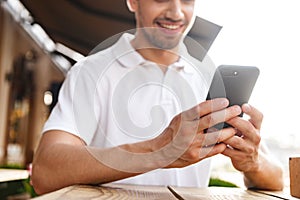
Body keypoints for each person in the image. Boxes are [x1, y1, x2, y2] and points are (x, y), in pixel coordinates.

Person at [31, 0, 284, 194]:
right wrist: (158, 149)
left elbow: (277, 178)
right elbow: (44, 172)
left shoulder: (208, 77)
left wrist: (253, 163)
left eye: (186, 0)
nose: (176, 12)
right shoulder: (91, 71)